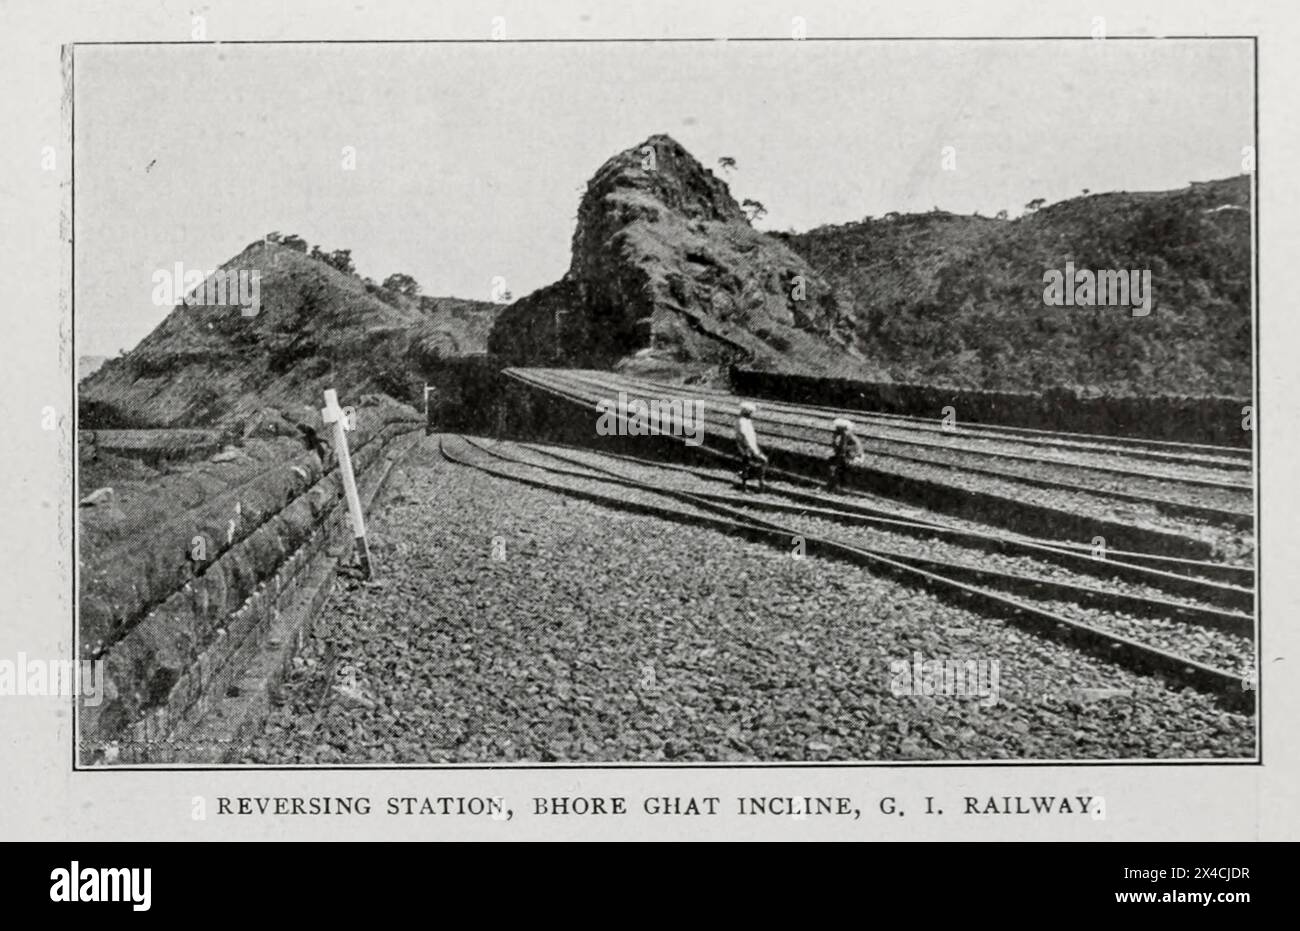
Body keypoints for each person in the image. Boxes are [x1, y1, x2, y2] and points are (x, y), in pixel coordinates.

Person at [735, 401, 768, 491]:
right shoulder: (742, 421)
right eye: (750, 412)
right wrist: (754, 450)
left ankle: (747, 483)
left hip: (748, 446)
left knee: (747, 464)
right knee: (761, 461)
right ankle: (759, 483)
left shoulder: (744, 420)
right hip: (747, 446)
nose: (751, 414)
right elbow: (745, 435)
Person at [827, 417, 865, 492]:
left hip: (853, 457)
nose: (836, 430)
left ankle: (837, 486)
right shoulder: (843, 435)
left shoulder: (846, 435)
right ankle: (836, 485)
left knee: (835, 467)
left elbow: (843, 449)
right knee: (834, 464)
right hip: (848, 456)